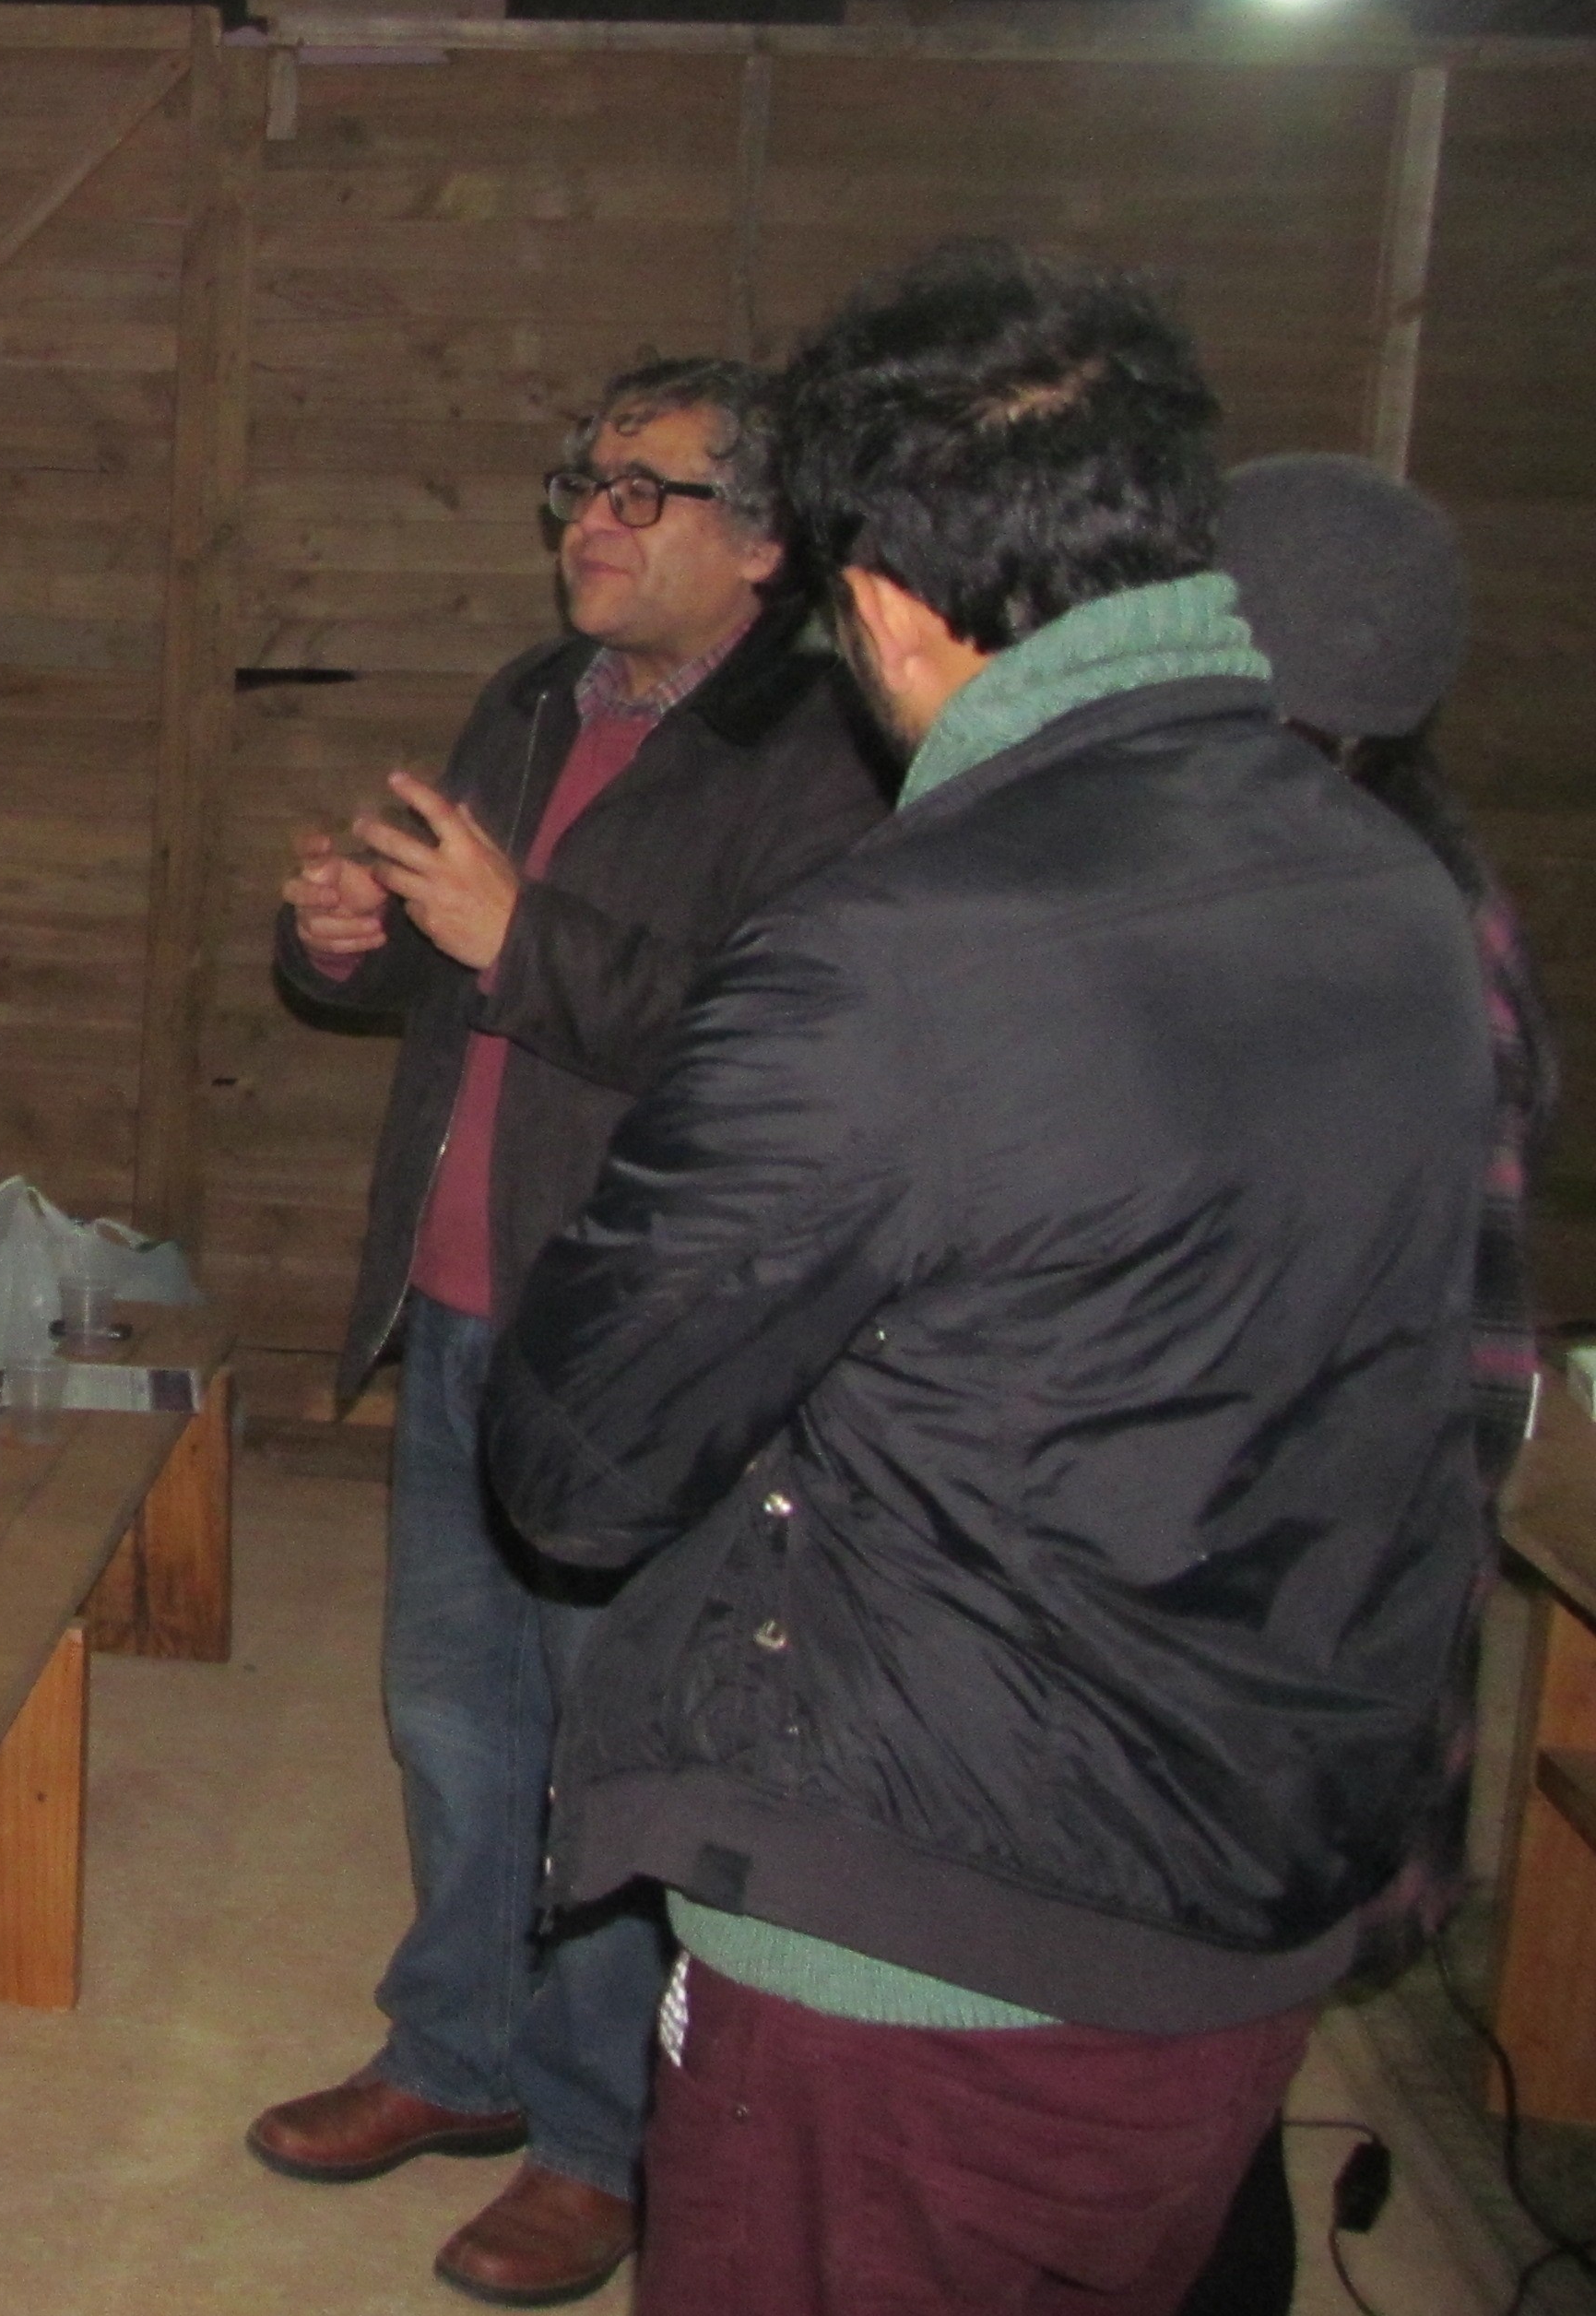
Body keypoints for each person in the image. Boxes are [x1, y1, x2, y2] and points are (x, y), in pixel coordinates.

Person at [481, 245, 1492, 2316]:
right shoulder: (1389, 885)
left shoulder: (902, 947)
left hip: (923, 1935)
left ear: (882, 602)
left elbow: (575, 1464)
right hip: (1248, 1907)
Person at [245, 355, 884, 2311]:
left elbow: (780, 1057)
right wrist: (343, 941)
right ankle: (456, 2051)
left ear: (762, 543)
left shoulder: (827, 756)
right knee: (453, 1716)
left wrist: (514, 931)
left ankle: (601, 2142)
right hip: (457, 1308)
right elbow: (446, 982)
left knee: (615, 1757)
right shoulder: (535, 699)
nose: (588, 520)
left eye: (640, 491)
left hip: (638, 1345)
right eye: (580, 484)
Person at [1170, 454, 1560, 2316]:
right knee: (1190, 2122)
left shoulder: (1362, 942)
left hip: (1265, 1666)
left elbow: (1396, 1394)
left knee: (1180, 2150)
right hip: (1276, 1656)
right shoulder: (1386, 884)